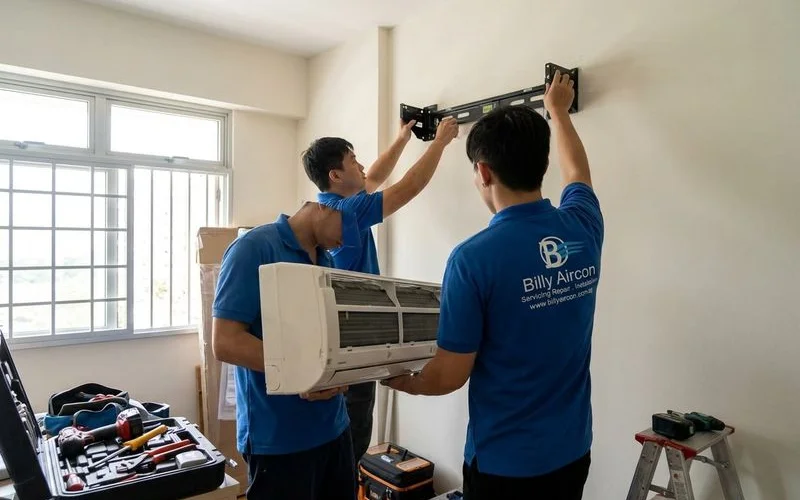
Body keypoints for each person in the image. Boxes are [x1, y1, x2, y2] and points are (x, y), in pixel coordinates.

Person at [383, 71, 603, 500]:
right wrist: (558, 111)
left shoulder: (472, 259)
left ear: (482, 171)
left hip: (506, 464)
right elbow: (578, 170)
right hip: (573, 450)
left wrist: (397, 378)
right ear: (542, 165)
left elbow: (448, 375)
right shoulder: (583, 226)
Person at [301, 116, 460, 463]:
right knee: (354, 430)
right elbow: (408, 188)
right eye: (352, 160)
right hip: (355, 336)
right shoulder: (349, 210)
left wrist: (403, 138)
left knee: (348, 427)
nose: (360, 165)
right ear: (335, 175)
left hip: (342, 335)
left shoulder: (333, 206)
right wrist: (441, 142)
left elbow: (374, 176)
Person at [211, 202, 355, 500]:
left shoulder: (327, 260)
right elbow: (225, 341)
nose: (351, 238)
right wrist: (302, 372)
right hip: (279, 440)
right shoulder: (253, 249)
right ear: (323, 207)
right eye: (349, 222)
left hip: (335, 430)